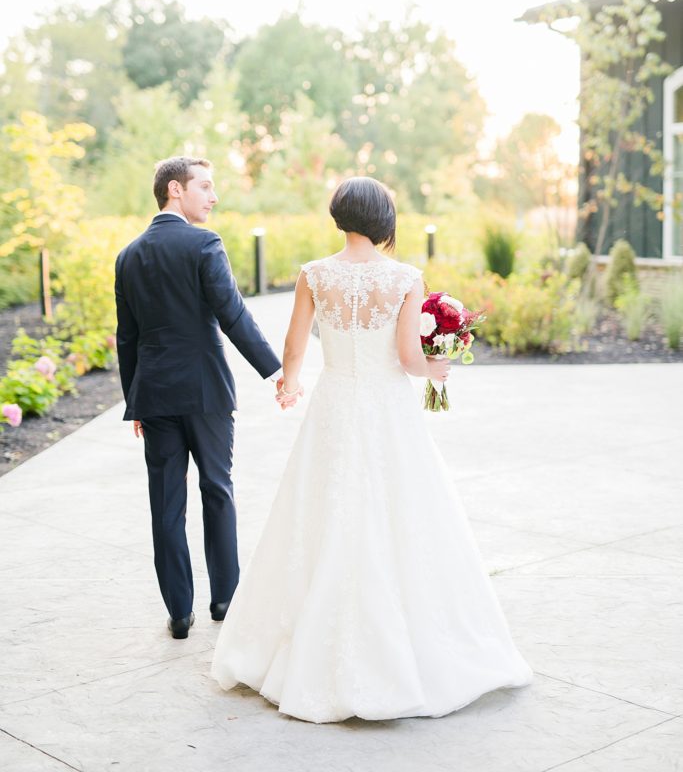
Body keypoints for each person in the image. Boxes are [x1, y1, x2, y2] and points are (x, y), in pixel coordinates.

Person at [211, 175, 533, 722]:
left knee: (321, 511)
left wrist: (290, 384)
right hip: (388, 410)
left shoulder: (314, 274)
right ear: (384, 218)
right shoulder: (404, 277)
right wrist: (436, 369)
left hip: (334, 404)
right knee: (399, 512)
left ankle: (298, 647)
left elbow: (295, 342)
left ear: (339, 216)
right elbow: (407, 359)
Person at [115, 156, 282, 639]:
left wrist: (134, 400)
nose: (213, 196)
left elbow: (127, 338)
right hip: (206, 390)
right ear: (175, 189)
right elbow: (232, 314)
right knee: (217, 489)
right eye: (204, 186)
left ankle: (179, 612)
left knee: (166, 504)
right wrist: (274, 370)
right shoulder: (204, 243)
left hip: (154, 395)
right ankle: (225, 599)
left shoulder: (128, 256)